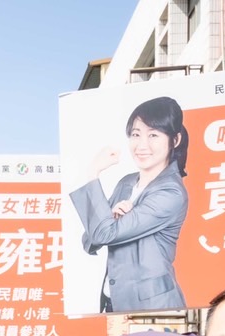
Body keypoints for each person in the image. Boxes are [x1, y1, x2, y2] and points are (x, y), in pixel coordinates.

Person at [70, 96, 189, 313]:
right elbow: (89, 241)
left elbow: (102, 234)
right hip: (113, 304)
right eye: (136, 134)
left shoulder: (170, 193)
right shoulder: (126, 182)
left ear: (175, 140)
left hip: (153, 309)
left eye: (153, 135)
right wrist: (111, 218)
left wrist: (92, 172)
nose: (142, 145)